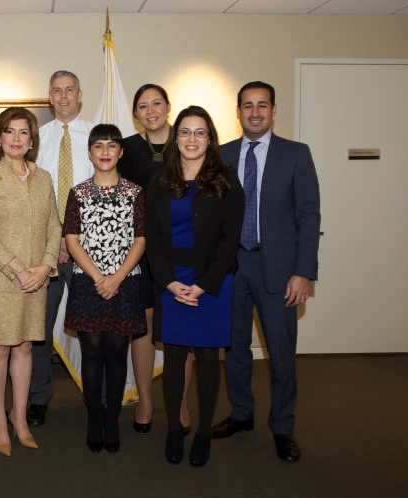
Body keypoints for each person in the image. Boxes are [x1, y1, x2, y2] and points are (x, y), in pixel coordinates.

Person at [212, 81, 320, 463]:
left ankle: (282, 426)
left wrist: (303, 272)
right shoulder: (221, 155)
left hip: (279, 270)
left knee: (280, 353)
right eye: (247, 106)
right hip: (232, 267)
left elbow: (309, 216)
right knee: (235, 348)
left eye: (262, 105)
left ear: (273, 110)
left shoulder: (295, 154)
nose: (254, 112)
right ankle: (241, 413)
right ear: (237, 111)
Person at [146, 106, 244, 466]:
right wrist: (170, 283)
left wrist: (203, 285)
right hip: (172, 282)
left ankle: (203, 432)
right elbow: (152, 239)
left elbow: (229, 240)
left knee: (206, 359)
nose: (191, 139)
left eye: (199, 132)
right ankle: (174, 428)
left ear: (210, 138)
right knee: (173, 359)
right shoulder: (159, 180)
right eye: (185, 132)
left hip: (212, 285)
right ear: (176, 138)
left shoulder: (227, 179)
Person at [0, 107, 61, 456]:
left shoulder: (44, 178)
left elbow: (54, 226)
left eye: (23, 132)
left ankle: (19, 417)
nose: (16, 139)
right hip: (0, 281)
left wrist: (46, 265)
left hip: (37, 280)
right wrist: (17, 269)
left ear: (31, 140)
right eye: (9, 132)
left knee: (25, 347)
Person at [64, 124, 147, 454]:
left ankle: (112, 419)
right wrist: (99, 277)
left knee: (117, 353)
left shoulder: (136, 193)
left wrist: (116, 278)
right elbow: (71, 239)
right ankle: (93, 418)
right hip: (89, 283)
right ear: (90, 152)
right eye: (98, 146)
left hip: (126, 283)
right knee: (92, 353)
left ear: (121, 152)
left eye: (112, 146)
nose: (105, 151)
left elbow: (140, 240)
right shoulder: (78, 192)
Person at [118, 84, 194, 436]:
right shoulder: (128, 149)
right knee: (144, 322)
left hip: (182, 248)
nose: (150, 110)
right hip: (140, 248)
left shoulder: (188, 142)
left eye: (156, 103)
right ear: (136, 114)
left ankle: (179, 402)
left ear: (168, 107)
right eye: (143, 106)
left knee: (181, 321)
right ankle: (145, 400)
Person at [28, 70, 95, 426]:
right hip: (47, 251)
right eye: (57, 91)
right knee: (39, 328)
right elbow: (33, 197)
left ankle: (96, 394)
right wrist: (55, 242)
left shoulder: (97, 137)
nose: (64, 96)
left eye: (70, 90)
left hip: (90, 251)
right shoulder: (37, 139)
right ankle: (38, 397)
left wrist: (75, 242)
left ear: (80, 96)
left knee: (91, 329)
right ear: (50, 97)